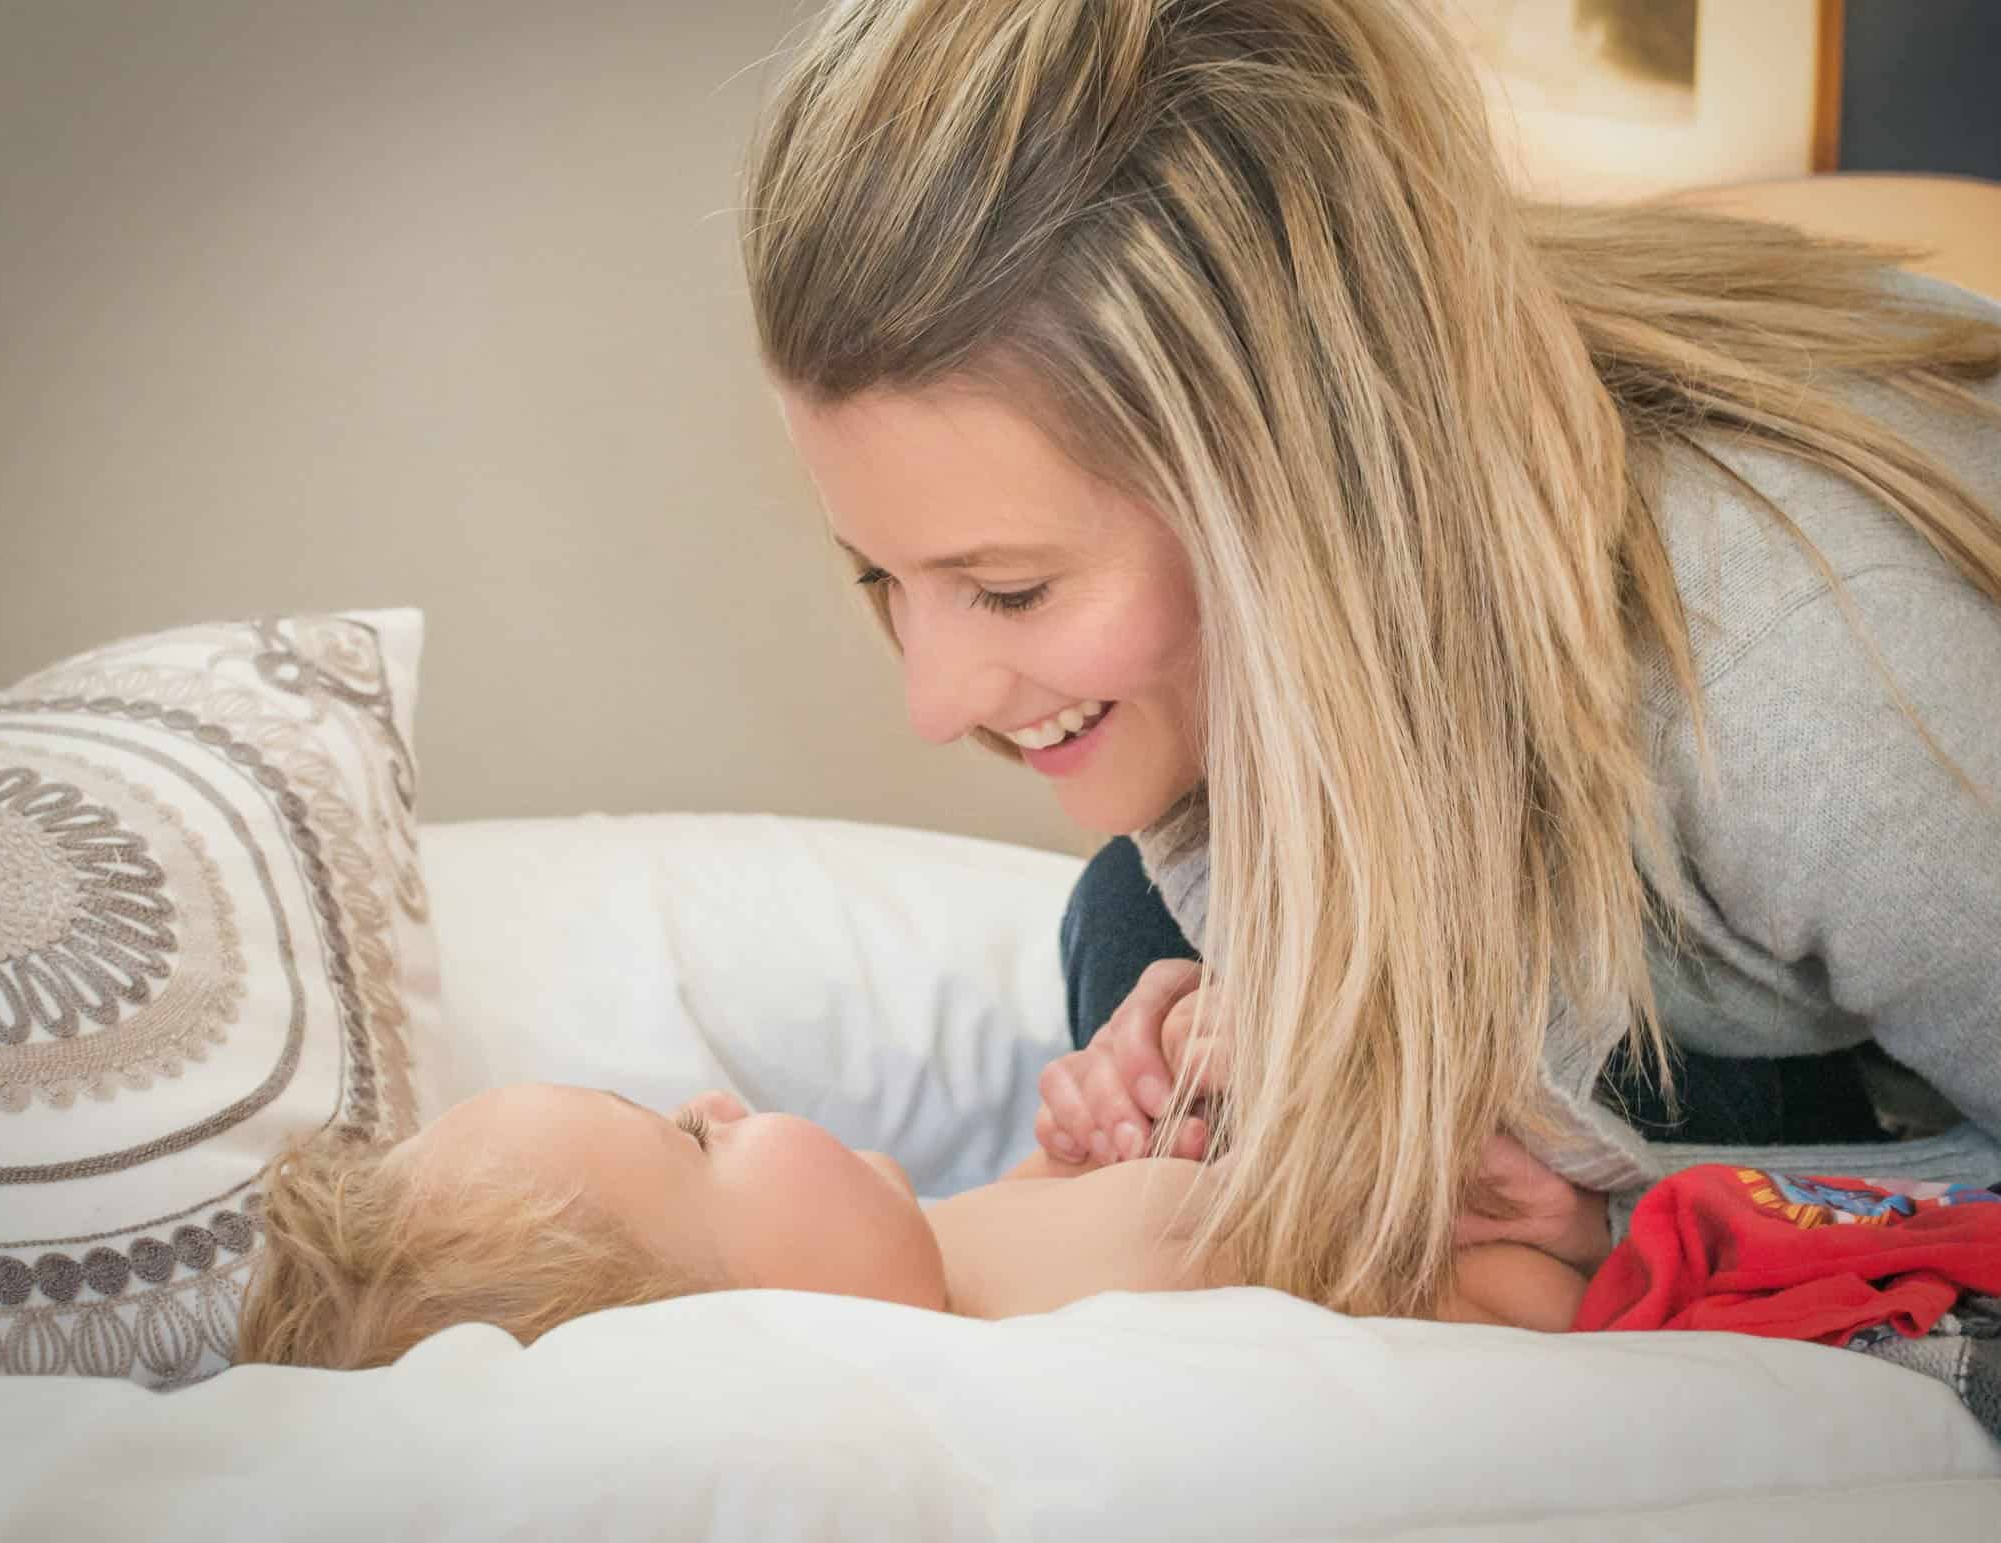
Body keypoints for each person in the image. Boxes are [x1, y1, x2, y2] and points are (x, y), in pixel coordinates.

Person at [738, 0, 2001, 1320]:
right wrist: (1277, 1014)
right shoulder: (1312, 652)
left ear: (1294, 487)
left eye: (1008, 588)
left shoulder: (1805, 671)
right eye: (882, 576)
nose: (932, 703)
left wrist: (1623, 1210)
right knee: (1133, 925)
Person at [233, 1082, 1611, 1370]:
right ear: (758, 1321)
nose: (721, 1097)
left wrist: (1072, 1151)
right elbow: (1446, 1324)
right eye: (693, 1138)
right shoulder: (1088, 1320)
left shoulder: (943, 1257)